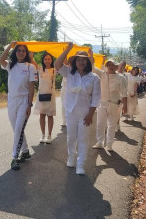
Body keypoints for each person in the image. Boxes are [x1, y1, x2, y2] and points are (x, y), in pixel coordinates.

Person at [55, 43, 101, 175]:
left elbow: (96, 98)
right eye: (79, 59)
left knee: (83, 138)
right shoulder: (69, 73)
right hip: (71, 111)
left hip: (85, 113)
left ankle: (81, 164)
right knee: (71, 137)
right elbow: (57, 64)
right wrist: (68, 50)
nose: (81, 62)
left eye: (84, 59)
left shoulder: (94, 78)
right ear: (75, 61)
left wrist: (90, 115)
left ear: (87, 62)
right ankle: (71, 158)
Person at [0, 42, 36, 170]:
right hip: (12, 101)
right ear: (15, 53)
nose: (21, 53)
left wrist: (30, 104)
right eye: (18, 50)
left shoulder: (30, 67)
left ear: (26, 54)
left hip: (24, 101)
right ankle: (25, 151)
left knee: (19, 129)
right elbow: (1, 60)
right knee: (17, 129)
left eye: (23, 51)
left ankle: (15, 157)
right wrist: (9, 47)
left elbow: (32, 86)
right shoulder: (11, 65)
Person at [90, 55, 127, 152]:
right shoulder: (102, 74)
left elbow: (124, 93)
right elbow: (92, 67)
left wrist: (125, 106)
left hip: (114, 104)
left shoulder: (121, 78)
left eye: (113, 65)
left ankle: (109, 144)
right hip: (102, 103)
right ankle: (100, 142)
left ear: (116, 66)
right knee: (100, 124)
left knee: (111, 125)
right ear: (106, 65)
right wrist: (90, 56)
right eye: (109, 64)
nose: (111, 66)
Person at [31, 52, 56, 144]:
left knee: (50, 115)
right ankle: (43, 135)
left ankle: (49, 135)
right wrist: (31, 54)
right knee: (42, 115)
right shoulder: (40, 69)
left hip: (51, 96)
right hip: (41, 95)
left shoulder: (54, 70)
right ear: (43, 60)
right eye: (45, 59)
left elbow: (63, 64)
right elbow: (32, 61)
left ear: (51, 60)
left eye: (49, 59)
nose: (47, 60)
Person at [116, 61, 127, 131]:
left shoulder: (125, 76)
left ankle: (117, 124)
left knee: (117, 112)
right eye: (121, 64)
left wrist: (124, 99)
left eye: (123, 65)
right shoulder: (113, 73)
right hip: (111, 95)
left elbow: (125, 88)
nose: (121, 66)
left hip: (120, 96)